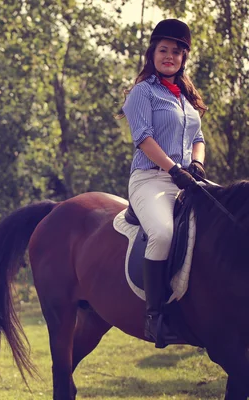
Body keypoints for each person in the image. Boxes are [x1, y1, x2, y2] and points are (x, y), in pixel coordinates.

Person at [121, 18, 208, 348]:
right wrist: (174, 169)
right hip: (151, 179)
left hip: (187, 179)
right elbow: (143, 138)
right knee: (162, 233)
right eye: (163, 50)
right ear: (152, 54)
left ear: (184, 57)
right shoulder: (142, 93)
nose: (169, 56)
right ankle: (154, 318)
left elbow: (197, 136)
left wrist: (197, 163)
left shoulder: (186, 100)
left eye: (176, 51)